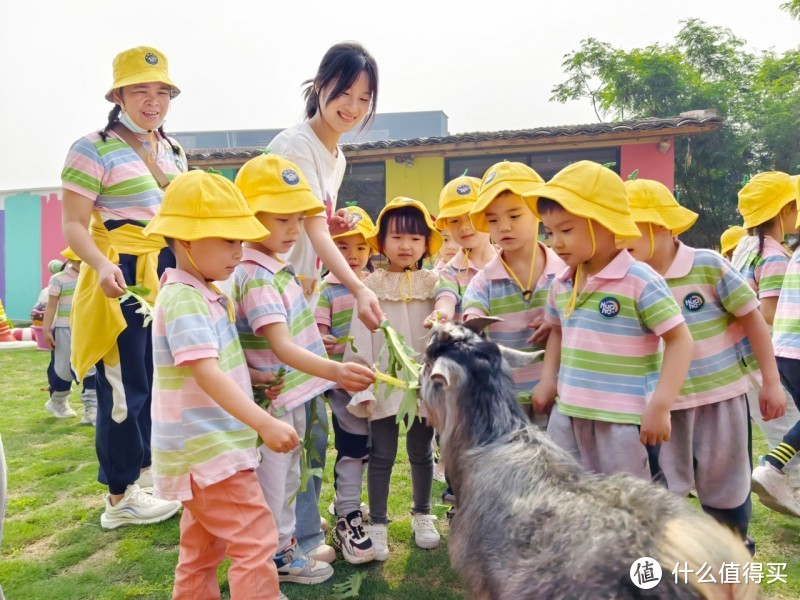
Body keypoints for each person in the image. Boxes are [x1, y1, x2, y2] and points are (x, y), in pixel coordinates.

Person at [143, 169, 298, 600]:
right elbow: (205, 372)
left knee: (203, 546)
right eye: (228, 240)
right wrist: (264, 424)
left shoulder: (199, 292)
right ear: (187, 240)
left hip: (205, 449)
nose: (239, 250)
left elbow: (209, 365)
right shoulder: (186, 299)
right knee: (254, 539)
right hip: (209, 450)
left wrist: (251, 377)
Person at [231, 154, 375, 586]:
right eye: (282, 219)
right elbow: (281, 345)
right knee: (275, 482)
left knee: (289, 476)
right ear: (250, 217)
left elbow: (292, 330)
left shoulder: (275, 268)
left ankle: (284, 546)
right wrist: (335, 370)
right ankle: (274, 556)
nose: (295, 230)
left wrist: (320, 343)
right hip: (276, 399)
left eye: (299, 219)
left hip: (287, 394)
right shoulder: (256, 276)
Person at [623, 177, 785, 550]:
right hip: (662, 408)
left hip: (720, 397)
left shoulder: (707, 265)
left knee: (727, 487)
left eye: (626, 230)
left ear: (660, 226)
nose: (618, 241)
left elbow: (754, 321)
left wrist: (772, 382)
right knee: (664, 490)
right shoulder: (626, 281)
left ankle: (735, 549)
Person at [266, 42, 383, 557]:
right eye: (344, 92)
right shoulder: (296, 145)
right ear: (320, 87)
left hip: (301, 296)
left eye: (364, 98)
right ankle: (289, 542)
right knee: (290, 426)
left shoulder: (336, 154)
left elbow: (314, 223)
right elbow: (308, 228)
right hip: (272, 294)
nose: (352, 107)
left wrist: (329, 227)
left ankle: (297, 535)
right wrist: (357, 285)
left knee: (307, 423)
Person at [61, 46, 185, 527]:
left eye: (161, 91)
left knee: (157, 380)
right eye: (140, 90)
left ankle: (146, 475)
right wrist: (99, 265)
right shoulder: (91, 147)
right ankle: (119, 498)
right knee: (123, 384)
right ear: (118, 95)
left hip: (164, 270)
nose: (152, 101)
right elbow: (73, 224)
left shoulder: (173, 151)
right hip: (120, 269)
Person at [527, 161, 694, 480]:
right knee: (568, 496)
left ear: (605, 223)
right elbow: (558, 333)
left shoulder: (639, 279)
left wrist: (661, 405)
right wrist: (548, 379)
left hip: (623, 421)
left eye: (566, 230)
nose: (555, 242)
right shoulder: (561, 282)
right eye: (549, 232)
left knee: (627, 508)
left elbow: (680, 339)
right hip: (568, 413)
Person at [344, 197, 443, 561]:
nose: (406, 246)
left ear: (427, 244)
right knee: (382, 453)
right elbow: (360, 332)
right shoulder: (369, 285)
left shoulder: (435, 284)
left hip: (424, 382)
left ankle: (422, 514)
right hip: (385, 381)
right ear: (381, 242)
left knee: (422, 451)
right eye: (398, 237)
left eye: (416, 239)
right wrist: (365, 379)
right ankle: (379, 523)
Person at [460, 162, 563, 425]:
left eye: (514, 216)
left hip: (557, 395)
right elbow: (472, 317)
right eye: (493, 220)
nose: (503, 227)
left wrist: (558, 322)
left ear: (538, 212)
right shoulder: (483, 281)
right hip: (503, 399)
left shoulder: (565, 273)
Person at [731, 171, 800, 509]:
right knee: (785, 428)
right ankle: (786, 485)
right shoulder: (772, 255)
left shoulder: (745, 249)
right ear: (787, 209)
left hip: (742, 357)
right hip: (769, 356)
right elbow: (771, 313)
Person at [314, 205, 376, 565]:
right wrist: (342, 345)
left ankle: (345, 499)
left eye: (360, 248)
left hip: (371, 386)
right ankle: (347, 515)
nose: (352, 255)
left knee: (369, 447)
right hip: (341, 386)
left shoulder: (377, 285)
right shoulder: (327, 290)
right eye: (343, 247)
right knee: (351, 445)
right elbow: (321, 339)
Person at [427, 175, 498, 325]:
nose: (464, 226)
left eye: (471, 217)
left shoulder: (509, 262)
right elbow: (446, 297)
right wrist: (442, 312)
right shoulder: (450, 271)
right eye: (454, 220)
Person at [41, 249, 97, 425]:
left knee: (91, 367)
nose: (82, 265)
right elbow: (50, 307)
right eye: (78, 261)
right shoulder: (59, 278)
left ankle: (92, 408)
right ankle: (57, 402)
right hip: (64, 329)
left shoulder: (93, 277)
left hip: (88, 329)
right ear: (70, 261)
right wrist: (46, 330)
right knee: (62, 369)